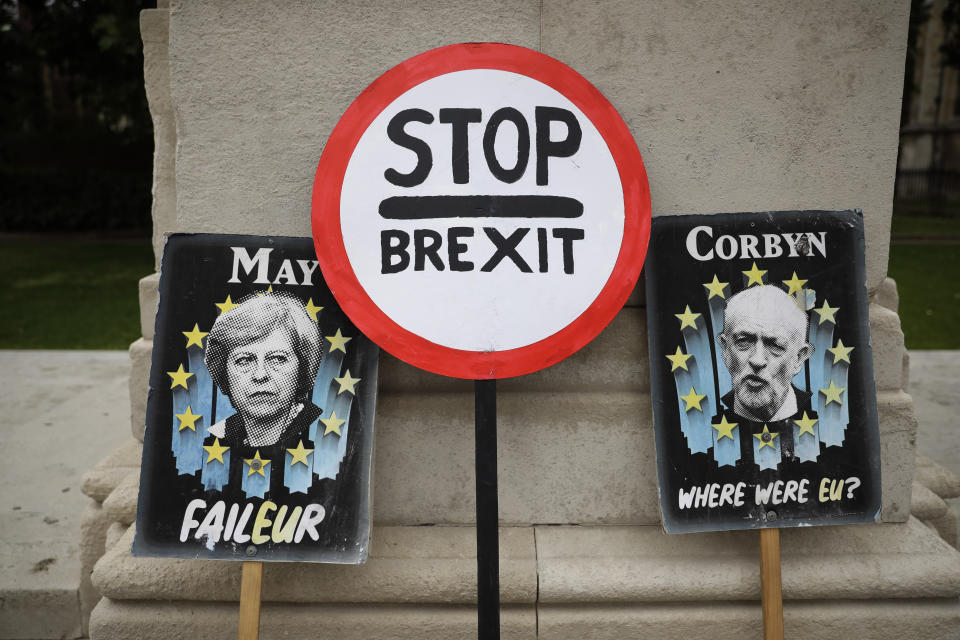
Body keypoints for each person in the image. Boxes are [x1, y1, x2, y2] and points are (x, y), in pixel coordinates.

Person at [204, 293, 322, 448]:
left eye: (278, 359)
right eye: (244, 360)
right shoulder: (216, 440)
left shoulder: (323, 434)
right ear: (224, 373)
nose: (260, 375)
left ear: (302, 368)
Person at [717, 285, 814, 423]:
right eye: (743, 341)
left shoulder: (820, 416)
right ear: (726, 349)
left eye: (775, 346)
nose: (757, 360)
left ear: (798, 358)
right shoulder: (710, 420)